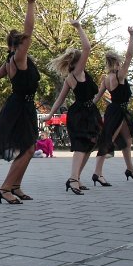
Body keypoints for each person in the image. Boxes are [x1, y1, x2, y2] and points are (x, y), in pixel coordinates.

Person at [0, 0, 39, 204]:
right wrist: (30, 4)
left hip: (20, 106)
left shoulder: (10, 60)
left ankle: (15, 186)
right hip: (20, 107)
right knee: (28, 149)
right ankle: (5, 188)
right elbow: (29, 30)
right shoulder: (19, 57)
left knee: (28, 148)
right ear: (20, 44)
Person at [43, 20, 102, 195]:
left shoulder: (78, 75)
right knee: (80, 146)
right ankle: (73, 179)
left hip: (89, 112)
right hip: (81, 114)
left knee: (90, 147)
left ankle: (76, 177)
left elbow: (60, 100)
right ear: (79, 61)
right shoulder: (76, 73)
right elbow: (87, 48)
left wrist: (51, 114)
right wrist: (78, 27)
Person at [92, 27, 133, 184]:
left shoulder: (106, 79)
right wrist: (132, 36)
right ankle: (97, 173)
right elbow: (129, 55)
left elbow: (97, 97)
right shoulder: (120, 76)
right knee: (107, 141)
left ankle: (130, 169)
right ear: (118, 63)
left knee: (127, 140)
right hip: (118, 111)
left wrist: (86, 107)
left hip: (116, 110)